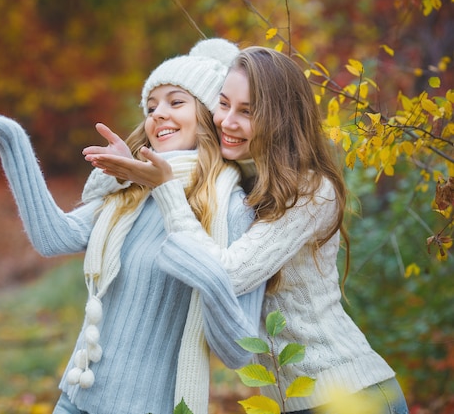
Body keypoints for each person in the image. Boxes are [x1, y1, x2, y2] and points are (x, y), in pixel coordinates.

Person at [0, 39, 266, 414]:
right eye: (151, 106)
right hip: (76, 396)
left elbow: (241, 350)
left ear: (211, 117)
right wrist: (9, 139)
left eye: (176, 102)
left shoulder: (231, 211)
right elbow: (54, 237)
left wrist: (206, 271)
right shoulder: (130, 195)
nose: (157, 114)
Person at [82, 46, 409, 414]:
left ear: (281, 119)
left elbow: (228, 274)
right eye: (223, 104)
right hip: (291, 401)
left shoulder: (313, 191)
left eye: (247, 112)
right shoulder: (246, 184)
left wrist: (165, 187)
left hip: (350, 393)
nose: (226, 121)